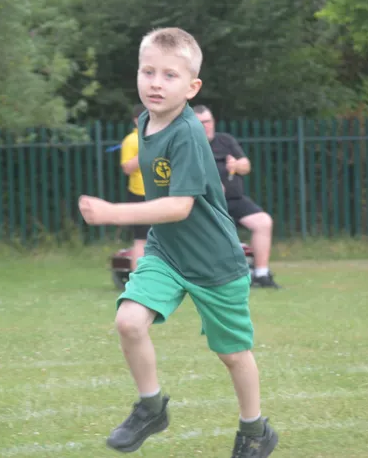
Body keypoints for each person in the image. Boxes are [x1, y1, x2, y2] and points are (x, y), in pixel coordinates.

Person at [78, 27, 278, 456]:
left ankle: (255, 429)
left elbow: (178, 207)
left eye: (169, 75)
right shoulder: (145, 121)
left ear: (192, 87)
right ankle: (152, 409)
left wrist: (112, 212)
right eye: (148, 71)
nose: (155, 82)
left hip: (213, 263)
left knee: (233, 354)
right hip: (167, 254)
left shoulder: (187, 133)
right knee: (129, 322)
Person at [192, 105, 280, 289]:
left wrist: (237, 165)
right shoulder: (190, 145)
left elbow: (246, 166)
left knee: (263, 222)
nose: (205, 126)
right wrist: (211, 187)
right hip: (206, 203)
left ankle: (261, 274)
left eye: (208, 122)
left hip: (235, 200)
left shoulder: (225, 140)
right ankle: (217, 278)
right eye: (200, 123)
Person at [120, 103, 149, 271]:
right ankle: (137, 279)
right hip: (140, 193)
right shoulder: (131, 141)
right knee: (141, 239)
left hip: (160, 193)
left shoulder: (157, 137)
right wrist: (145, 154)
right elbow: (127, 168)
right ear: (136, 121)